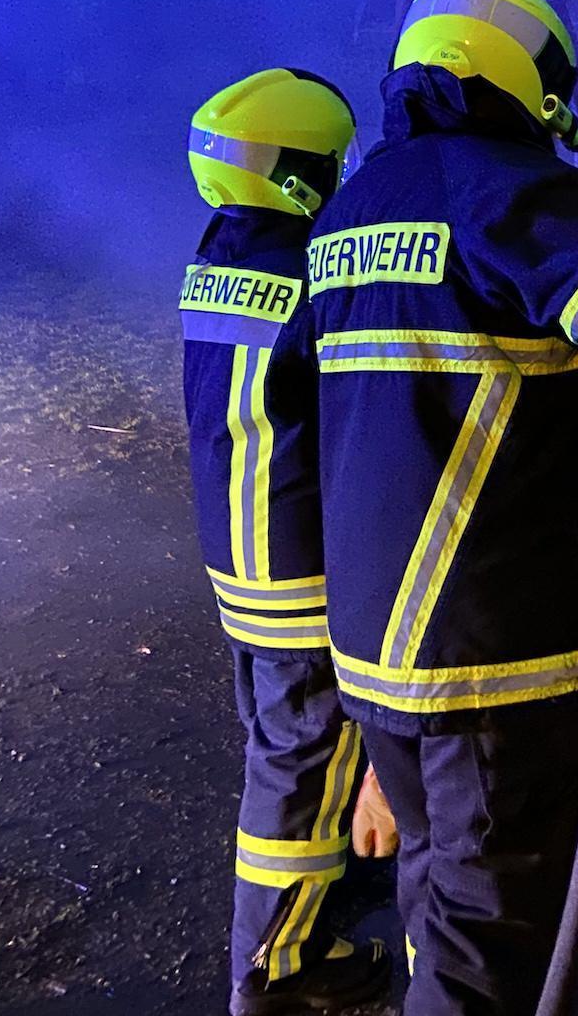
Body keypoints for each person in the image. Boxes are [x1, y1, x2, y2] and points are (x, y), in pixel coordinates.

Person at [305, 0, 578, 1014]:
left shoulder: (349, 215)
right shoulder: (516, 193)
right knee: (490, 938)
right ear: (530, 80)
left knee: (439, 888)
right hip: (489, 656)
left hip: (376, 647)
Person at [181, 68, 395, 1015]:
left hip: (241, 554)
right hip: (302, 563)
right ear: (303, 173)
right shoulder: (307, 273)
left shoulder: (219, 253)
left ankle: (313, 897)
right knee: (303, 766)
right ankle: (278, 970)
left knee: (282, 744)